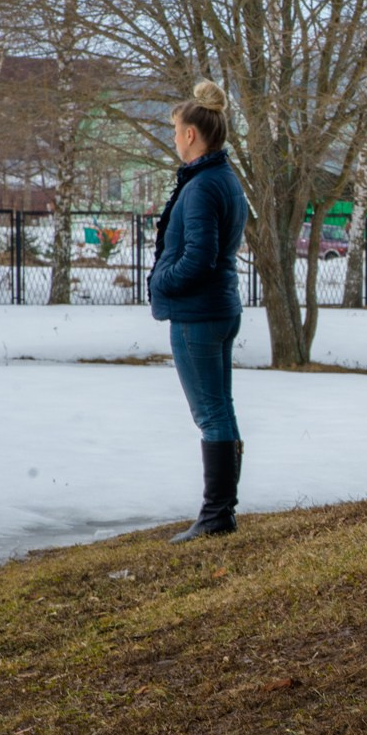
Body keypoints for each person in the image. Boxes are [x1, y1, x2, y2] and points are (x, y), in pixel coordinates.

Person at [149, 79, 250, 542]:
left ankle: (216, 515)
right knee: (220, 409)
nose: (174, 139)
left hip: (199, 316)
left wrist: (160, 281)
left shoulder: (203, 185)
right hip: (219, 308)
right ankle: (221, 512)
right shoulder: (223, 178)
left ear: (191, 133)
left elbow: (199, 256)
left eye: (176, 131)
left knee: (210, 414)